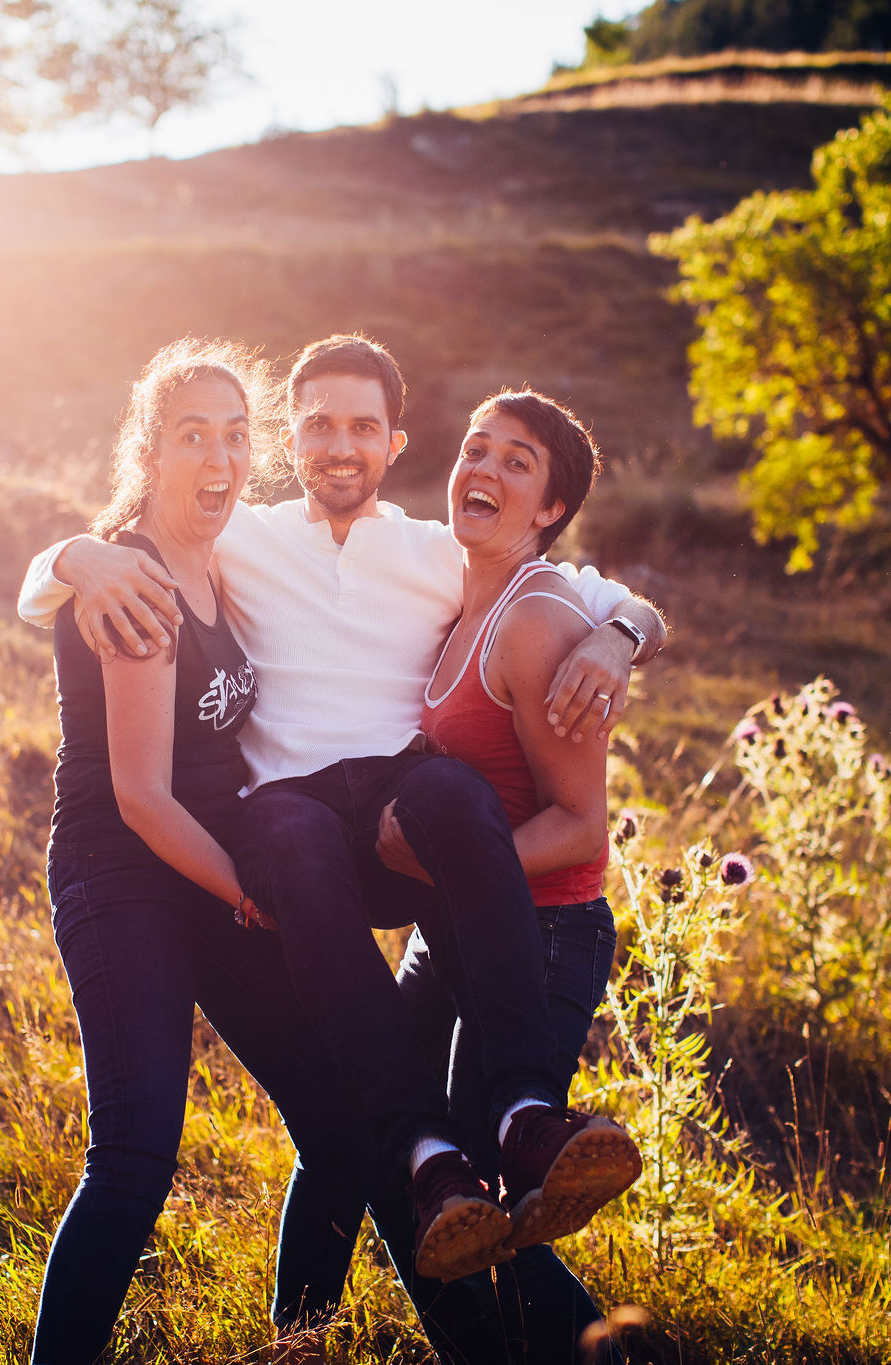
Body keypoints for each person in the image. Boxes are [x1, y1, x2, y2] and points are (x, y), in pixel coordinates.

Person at [20, 336, 666, 1292]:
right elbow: (76, 565)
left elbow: (603, 593)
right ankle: (424, 1155)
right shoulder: (240, 532)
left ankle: (525, 1110)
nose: (340, 444)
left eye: (364, 425)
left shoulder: (438, 551)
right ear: (290, 438)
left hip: (391, 809)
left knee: (454, 793)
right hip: (288, 821)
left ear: (396, 441)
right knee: (282, 832)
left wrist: (617, 635)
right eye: (318, 423)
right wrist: (76, 556)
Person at [34, 339, 371, 1365]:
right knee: (135, 1158)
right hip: (124, 873)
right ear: (150, 448)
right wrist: (247, 894)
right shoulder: (135, 578)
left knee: (342, 1124)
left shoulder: (220, 558)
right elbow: (139, 796)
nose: (217, 458)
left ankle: (295, 1344)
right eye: (191, 436)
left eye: (235, 436)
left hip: (212, 873)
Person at [373, 389, 629, 1364]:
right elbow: (627, 604)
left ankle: (597, 1348)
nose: (481, 468)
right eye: (474, 448)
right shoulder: (456, 603)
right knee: (402, 1141)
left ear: (550, 509)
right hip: (454, 930)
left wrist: (452, 874)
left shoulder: (533, 624)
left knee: (500, 1184)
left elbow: (579, 829)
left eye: (515, 461)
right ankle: (311, 1330)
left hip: (543, 932)